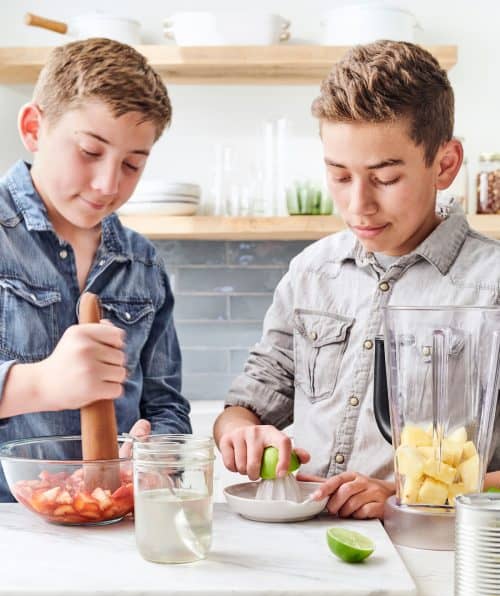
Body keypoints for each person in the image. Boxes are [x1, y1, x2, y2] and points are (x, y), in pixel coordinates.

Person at [213, 40, 500, 519]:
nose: (358, 205)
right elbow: (246, 405)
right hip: (310, 549)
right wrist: (241, 432)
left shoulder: (491, 287)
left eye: (385, 178)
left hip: (435, 553)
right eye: (340, 176)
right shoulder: (311, 272)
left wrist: (404, 495)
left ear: (445, 164)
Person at [0, 38, 191, 502]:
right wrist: (40, 384)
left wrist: (159, 459)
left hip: (114, 524)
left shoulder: (142, 263)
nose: (108, 184)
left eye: (132, 164)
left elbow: (165, 404)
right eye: (89, 151)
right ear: (33, 128)